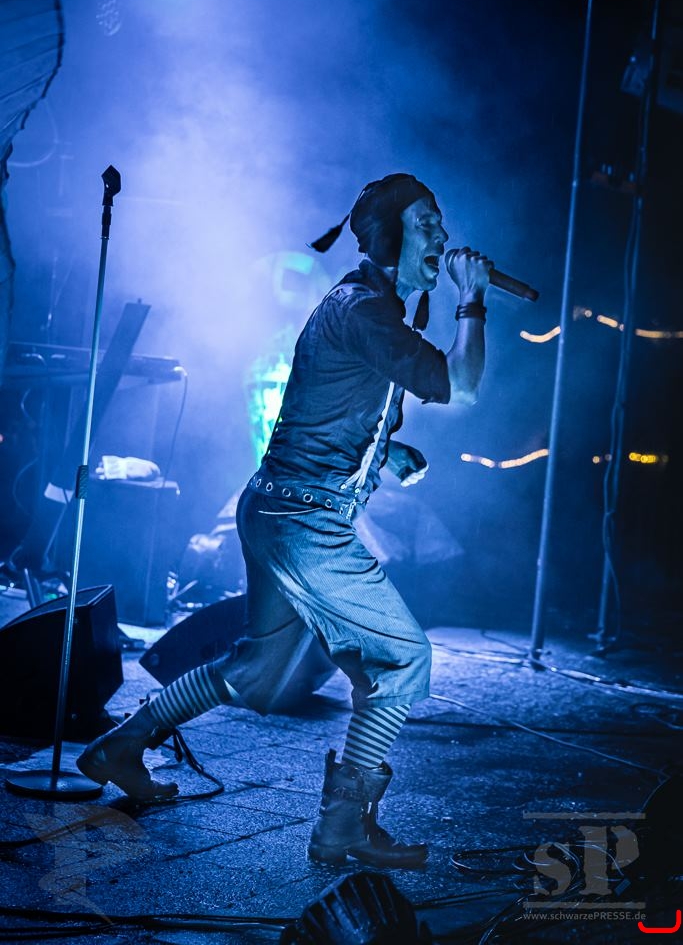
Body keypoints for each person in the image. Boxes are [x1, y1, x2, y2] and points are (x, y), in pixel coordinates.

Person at [77, 173, 491, 869]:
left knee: (257, 668)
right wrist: (472, 299)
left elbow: (326, 405)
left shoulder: (365, 306)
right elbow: (465, 385)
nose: (442, 236)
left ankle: (120, 745)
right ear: (389, 238)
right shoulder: (364, 309)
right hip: (305, 523)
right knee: (402, 661)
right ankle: (342, 827)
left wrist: (386, 451)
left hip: (277, 508)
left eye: (439, 222)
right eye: (426, 222)